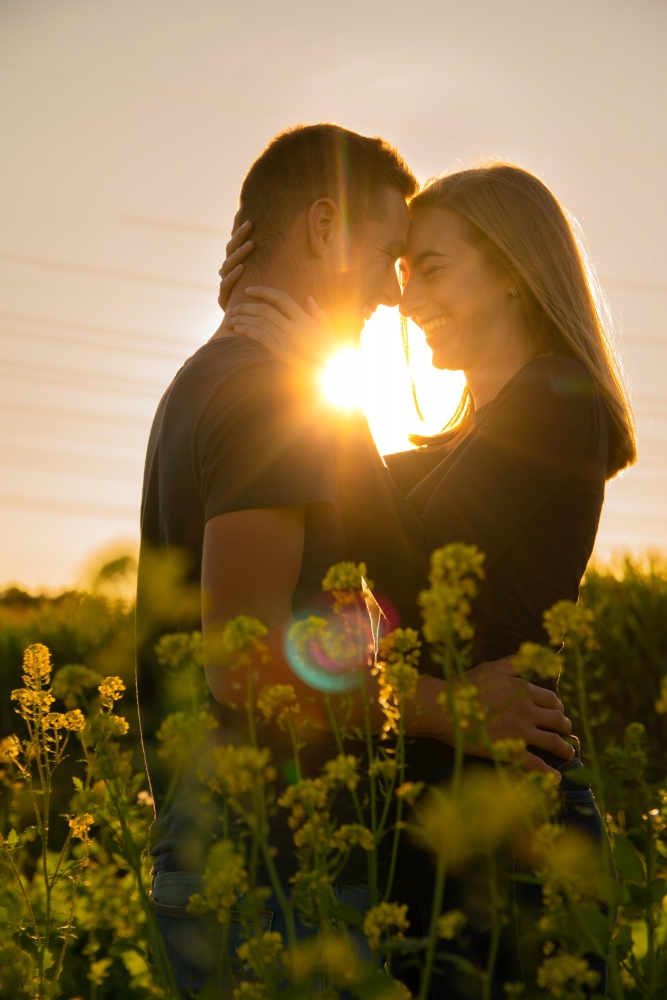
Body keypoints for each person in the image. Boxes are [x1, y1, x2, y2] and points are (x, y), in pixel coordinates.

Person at [137, 128, 574, 997]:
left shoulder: (220, 379)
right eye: (383, 256)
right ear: (323, 225)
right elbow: (246, 661)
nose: (392, 290)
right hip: (271, 878)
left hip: (238, 862)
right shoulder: (267, 397)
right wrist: (446, 707)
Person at [220, 160, 636, 996]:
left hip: (512, 821)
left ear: (515, 272)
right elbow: (349, 517)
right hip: (440, 812)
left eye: (432, 270)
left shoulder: (561, 402)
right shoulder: (447, 449)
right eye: (402, 277)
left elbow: (410, 556)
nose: (405, 303)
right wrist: (250, 322)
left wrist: (308, 370)